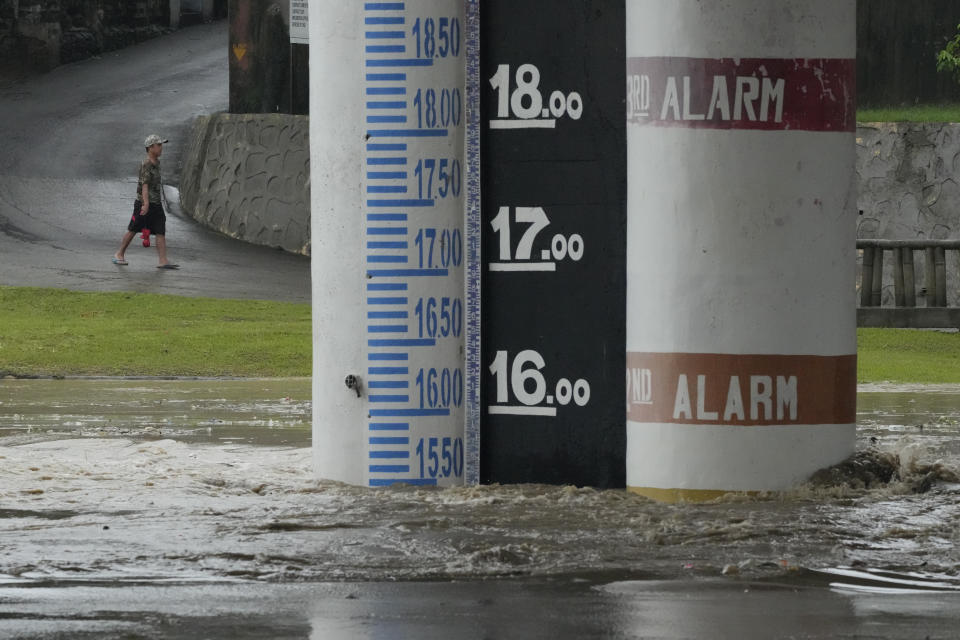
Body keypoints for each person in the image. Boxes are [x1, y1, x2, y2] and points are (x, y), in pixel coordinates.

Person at [112, 134, 179, 269]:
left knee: (160, 230)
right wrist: (146, 204)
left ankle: (163, 260)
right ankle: (119, 254)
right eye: (159, 145)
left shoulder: (156, 163)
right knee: (134, 228)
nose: (161, 148)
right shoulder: (147, 164)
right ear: (150, 148)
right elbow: (145, 185)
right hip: (144, 203)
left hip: (156, 203)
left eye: (161, 145)